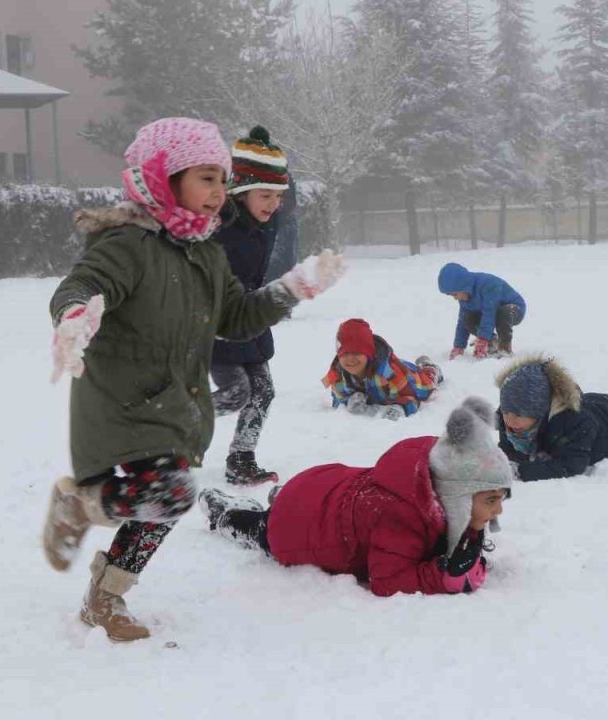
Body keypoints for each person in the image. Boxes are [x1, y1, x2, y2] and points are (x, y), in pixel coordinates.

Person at [39, 117, 344, 642]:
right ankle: (79, 505)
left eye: (223, 180)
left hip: (175, 403)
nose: (219, 192)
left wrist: (293, 287)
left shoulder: (204, 250)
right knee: (173, 493)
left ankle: (104, 598)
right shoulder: (126, 243)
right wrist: (73, 317)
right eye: (206, 177)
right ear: (164, 176)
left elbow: (236, 317)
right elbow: (83, 283)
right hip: (124, 401)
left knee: (163, 505)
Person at [197, 397, 512, 597]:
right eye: (490, 500)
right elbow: (387, 581)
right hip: (298, 527)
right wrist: (439, 577)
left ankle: (282, 498)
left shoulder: (438, 471)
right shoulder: (400, 515)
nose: (497, 509)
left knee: (296, 504)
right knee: (263, 528)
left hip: (323, 486)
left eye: (500, 498)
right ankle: (225, 513)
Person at [211, 126, 291, 486]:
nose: (273, 204)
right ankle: (171, 430)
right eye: (265, 195)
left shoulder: (267, 222)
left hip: (251, 318)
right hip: (218, 324)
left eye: (278, 195)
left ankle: (241, 458)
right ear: (241, 191)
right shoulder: (218, 225)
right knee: (233, 393)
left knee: (263, 389)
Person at [496, 356, 608, 482]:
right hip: (597, 404)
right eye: (506, 412)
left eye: (519, 414)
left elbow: (571, 464)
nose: (510, 421)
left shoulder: (573, 424)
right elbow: (506, 449)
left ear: (541, 413)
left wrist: (520, 471)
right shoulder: (507, 418)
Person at [322, 318, 442, 421]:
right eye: (344, 354)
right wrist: (348, 402)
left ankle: (429, 367)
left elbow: (411, 399)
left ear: (368, 353)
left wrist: (399, 407)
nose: (350, 359)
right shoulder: (338, 375)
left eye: (357, 353)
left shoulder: (389, 373)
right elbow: (337, 400)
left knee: (427, 384)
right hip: (393, 375)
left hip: (409, 379)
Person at [437, 262, 525, 359]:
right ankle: (492, 342)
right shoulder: (465, 295)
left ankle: (504, 348)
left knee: (502, 314)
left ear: (463, 286)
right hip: (491, 312)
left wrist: (482, 339)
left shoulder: (488, 285)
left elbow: (489, 312)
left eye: (455, 294)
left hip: (514, 308)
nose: (455, 298)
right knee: (468, 318)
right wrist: (459, 346)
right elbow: (462, 322)